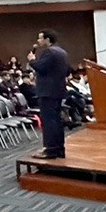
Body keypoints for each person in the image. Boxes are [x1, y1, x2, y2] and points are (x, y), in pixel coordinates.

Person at [29, 29, 70, 159]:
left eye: (40, 38)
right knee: (56, 121)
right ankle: (58, 148)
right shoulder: (61, 52)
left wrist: (32, 60)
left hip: (48, 91)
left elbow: (41, 67)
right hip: (57, 90)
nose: (38, 41)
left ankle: (50, 150)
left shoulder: (49, 52)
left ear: (47, 39)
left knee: (49, 121)